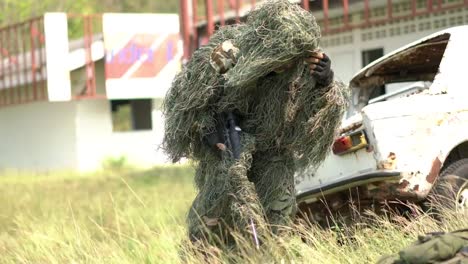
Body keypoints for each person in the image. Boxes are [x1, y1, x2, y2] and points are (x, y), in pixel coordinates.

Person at [163, 0, 348, 248]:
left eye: (293, 58)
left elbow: (318, 123)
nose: (287, 65)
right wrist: (209, 130)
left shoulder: (306, 65)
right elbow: (185, 101)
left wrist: (326, 84)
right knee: (211, 227)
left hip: (274, 158)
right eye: (282, 57)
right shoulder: (231, 51)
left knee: (275, 227)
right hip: (226, 153)